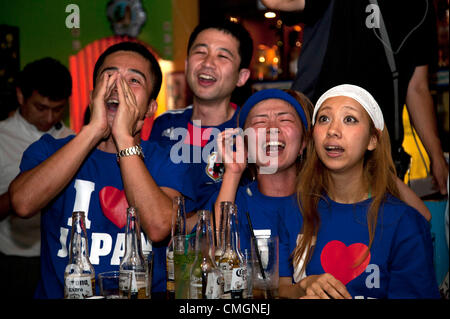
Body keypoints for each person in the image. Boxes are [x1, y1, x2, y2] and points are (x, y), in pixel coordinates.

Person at [8, 42, 196, 299]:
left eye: (133, 80)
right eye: (109, 76)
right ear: (93, 93)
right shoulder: (52, 148)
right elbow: (22, 203)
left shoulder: (168, 158)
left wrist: (124, 139)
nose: (118, 86)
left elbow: (159, 226)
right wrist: (94, 130)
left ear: (151, 107)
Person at [261, 0, 448, 195]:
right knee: (315, 219)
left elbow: (417, 87)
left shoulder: (421, 7)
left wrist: (436, 154)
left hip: (379, 149)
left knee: (385, 220)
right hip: (321, 145)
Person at [282, 84, 440, 299]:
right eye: (324, 119)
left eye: (350, 119)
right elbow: (270, 290)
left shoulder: (405, 223)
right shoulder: (293, 211)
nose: (333, 130)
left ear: (372, 139)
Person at [149, 19, 253, 213]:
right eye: (200, 52)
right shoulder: (165, 125)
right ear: (188, 64)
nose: (207, 63)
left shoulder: (249, 131)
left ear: (241, 77)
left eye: (222, 56)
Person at [0, 57, 73, 298]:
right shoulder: (2, 137)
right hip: (16, 262)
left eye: (58, 108)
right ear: (21, 96)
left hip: (62, 259)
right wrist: (27, 192)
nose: (50, 117)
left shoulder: (73, 140)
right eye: (41, 108)